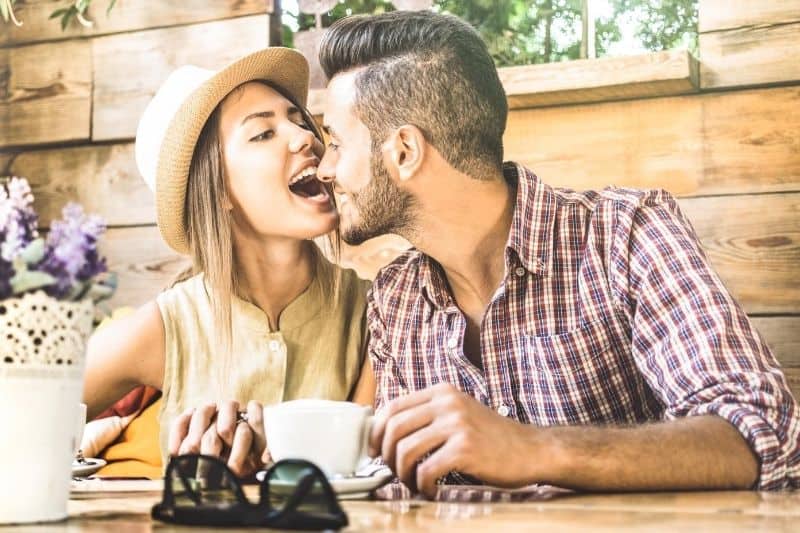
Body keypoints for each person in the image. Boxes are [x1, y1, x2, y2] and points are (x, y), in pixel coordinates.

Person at [312, 10, 800, 497]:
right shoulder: (396, 300)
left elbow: (762, 432)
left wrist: (533, 449)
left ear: (403, 152)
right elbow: (399, 492)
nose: (326, 168)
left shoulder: (624, 233)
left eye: (335, 143)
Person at [82, 47, 374, 477]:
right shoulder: (167, 325)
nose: (305, 138)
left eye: (297, 119)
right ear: (218, 192)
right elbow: (24, 412)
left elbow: (366, 469)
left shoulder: (376, 312)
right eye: (263, 133)